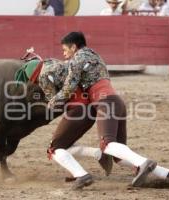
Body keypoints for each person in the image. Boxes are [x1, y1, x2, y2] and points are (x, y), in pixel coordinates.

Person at [46, 31, 169, 189]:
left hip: (105, 103)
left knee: (107, 145)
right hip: (117, 103)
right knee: (118, 156)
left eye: (65, 50)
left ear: (74, 47)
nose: (64, 54)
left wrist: (52, 102)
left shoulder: (77, 60)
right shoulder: (97, 57)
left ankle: (143, 163)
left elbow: (68, 88)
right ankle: (167, 174)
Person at [38, 59, 113, 190]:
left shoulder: (44, 77)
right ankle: (98, 154)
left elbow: (56, 104)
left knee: (54, 149)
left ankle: (81, 175)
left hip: (78, 111)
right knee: (65, 146)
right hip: (90, 110)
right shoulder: (65, 67)